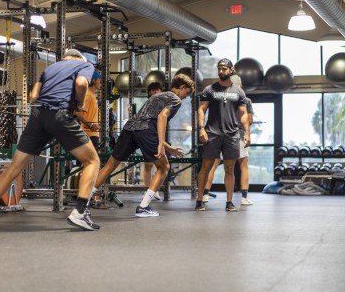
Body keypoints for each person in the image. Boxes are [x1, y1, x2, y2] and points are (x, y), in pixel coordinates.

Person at [0, 48, 101, 231]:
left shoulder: (49, 69)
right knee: (92, 161)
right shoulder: (84, 65)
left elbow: (33, 97)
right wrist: (78, 104)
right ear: (79, 59)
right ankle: (80, 212)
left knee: (13, 169)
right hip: (60, 114)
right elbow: (81, 83)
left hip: (38, 116)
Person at [90, 74, 194, 217]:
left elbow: (146, 120)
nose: (185, 97)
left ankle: (83, 201)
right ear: (182, 87)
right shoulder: (175, 99)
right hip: (146, 129)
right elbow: (161, 117)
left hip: (130, 128)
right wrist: (160, 146)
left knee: (109, 166)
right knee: (164, 167)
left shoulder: (157, 96)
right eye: (186, 93)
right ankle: (143, 207)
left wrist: (166, 146)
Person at [195, 59, 250, 212]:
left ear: (231, 70)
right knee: (206, 167)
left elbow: (244, 114)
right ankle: (199, 200)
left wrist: (247, 132)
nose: (221, 71)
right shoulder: (209, 89)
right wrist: (201, 128)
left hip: (232, 135)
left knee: (229, 169)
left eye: (224, 69)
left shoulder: (239, 92)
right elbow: (201, 110)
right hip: (212, 133)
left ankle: (229, 202)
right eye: (219, 68)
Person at [202, 74, 254, 206]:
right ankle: (244, 197)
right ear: (240, 85)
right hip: (238, 135)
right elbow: (249, 120)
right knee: (243, 164)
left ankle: (205, 194)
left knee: (212, 165)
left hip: (217, 133)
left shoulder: (219, 96)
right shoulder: (245, 99)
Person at [142, 81, 163, 200]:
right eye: (152, 90)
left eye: (157, 90)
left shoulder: (163, 104)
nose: (155, 92)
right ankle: (148, 190)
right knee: (148, 165)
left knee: (160, 165)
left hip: (157, 137)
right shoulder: (147, 104)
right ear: (149, 93)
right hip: (147, 136)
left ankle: (154, 189)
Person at [75, 70, 102, 149]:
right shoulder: (88, 95)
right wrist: (91, 125)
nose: (101, 82)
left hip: (92, 135)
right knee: (89, 161)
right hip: (88, 135)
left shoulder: (92, 95)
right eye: (99, 80)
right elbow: (78, 113)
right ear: (93, 80)